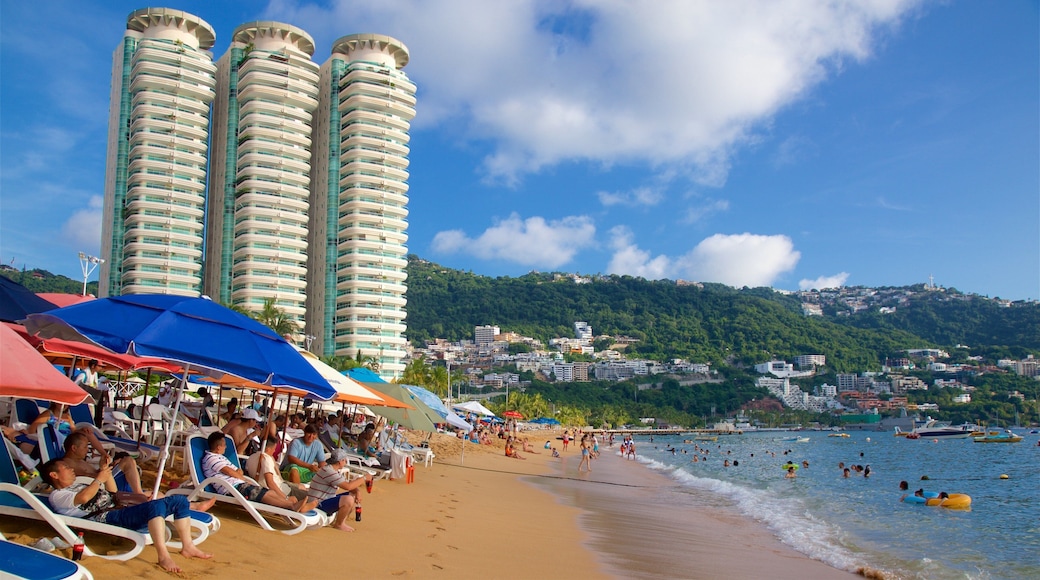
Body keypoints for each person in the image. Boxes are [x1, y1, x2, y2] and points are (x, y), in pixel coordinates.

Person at [41, 457, 213, 572]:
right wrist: (98, 479)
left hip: (119, 508)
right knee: (154, 507)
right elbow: (84, 498)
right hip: (108, 517)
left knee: (179, 501)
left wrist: (105, 471)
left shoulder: (78, 484)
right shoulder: (58, 495)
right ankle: (163, 556)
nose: (71, 469)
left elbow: (113, 492)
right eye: (65, 468)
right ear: (54, 475)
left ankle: (188, 547)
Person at [200, 432, 299, 510]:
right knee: (263, 495)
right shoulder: (211, 458)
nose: (226, 447)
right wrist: (242, 478)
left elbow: (238, 470)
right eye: (224, 445)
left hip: (237, 484)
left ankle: (289, 503)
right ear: (218, 447)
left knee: (269, 492)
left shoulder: (221, 458)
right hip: (231, 488)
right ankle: (290, 506)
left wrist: (238, 474)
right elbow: (230, 472)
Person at [303, 449, 373, 532]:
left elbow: (347, 484)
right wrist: (364, 478)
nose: (345, 462)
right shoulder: (328, 471)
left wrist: (357, 491)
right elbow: (348, 486)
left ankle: (341, 520)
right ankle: (339, 524)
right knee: (348, 499)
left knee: (352, 495)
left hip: (325, 499)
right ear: (340, 461)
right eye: (344, 460)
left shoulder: (332, 470)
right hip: (318, 503)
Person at [62, 432, 147, 495]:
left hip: (104, 481)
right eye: (85, 447)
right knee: (128, 461)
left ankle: (138, 493)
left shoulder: (79, 461)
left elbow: (95, 474)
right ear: (74, 448)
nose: (87, 450)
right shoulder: (68, 464)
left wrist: (106, 466)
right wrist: (108, 469)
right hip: (103, 487)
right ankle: (139, 494)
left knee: (159, 495)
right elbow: (88, 477)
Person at [246, 436, 309, 508]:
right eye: (273, 449)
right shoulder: (266, 459)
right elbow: (270, 483)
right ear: (268, 449)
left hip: (281, 484)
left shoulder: (251, 457)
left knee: (302, 487)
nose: (274, 451)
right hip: (281, 491)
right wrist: (286, 498)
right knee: (310, 497)